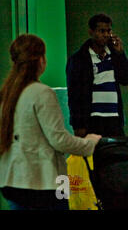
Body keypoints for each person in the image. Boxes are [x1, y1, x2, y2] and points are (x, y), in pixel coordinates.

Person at [0, 34, 101, 210]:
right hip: (43, 184)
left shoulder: (7, 94)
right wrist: (89, 144)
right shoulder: (42, 93)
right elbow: (59, 140)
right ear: (40, 60)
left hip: (10, 181)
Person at [66, 14, 128, 138]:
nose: (106, 35)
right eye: (101, 31)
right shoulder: (79, 59)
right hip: (92, 119)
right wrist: (78, 125)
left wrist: (120, 54)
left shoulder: (114, 55)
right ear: (91, 32)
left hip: (114, 118)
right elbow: (74, 94)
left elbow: (125, 79)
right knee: (95, 155)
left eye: (108, 31)